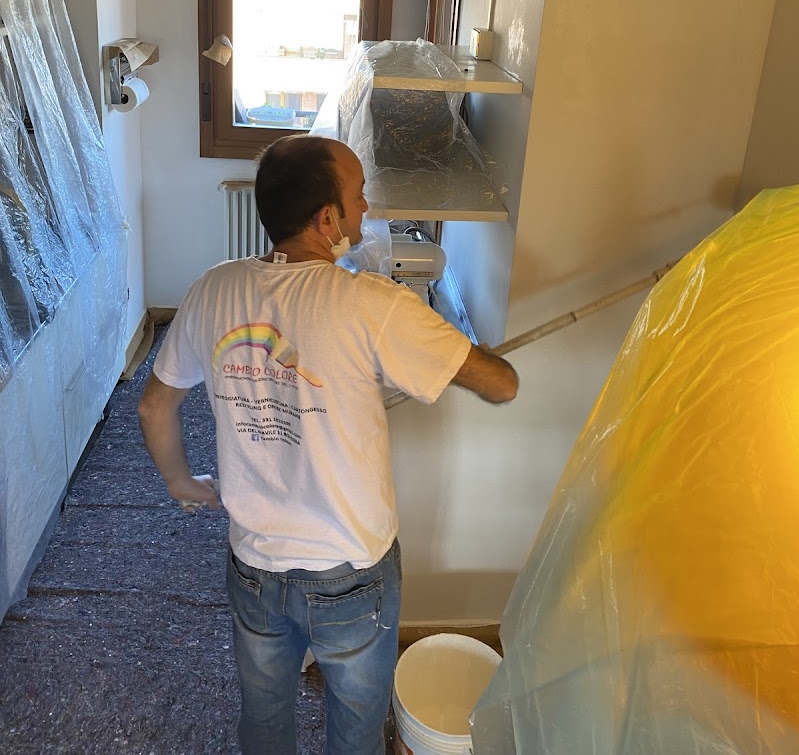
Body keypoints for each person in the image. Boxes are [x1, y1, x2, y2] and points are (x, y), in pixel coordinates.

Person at [138, 134, 518, 755]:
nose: (366, 208)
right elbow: (500, 384)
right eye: (359, 195)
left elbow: (154, 405)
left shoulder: (213, 288)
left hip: (255, 564)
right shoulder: (372, 304)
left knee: (264, 715)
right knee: (357, 724)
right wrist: (469, 354)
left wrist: (183, 484)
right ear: (326, 219)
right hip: (352, 572)